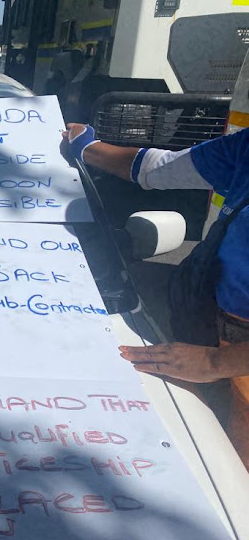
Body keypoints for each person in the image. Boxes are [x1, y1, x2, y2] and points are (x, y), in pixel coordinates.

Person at [61, 122, 249, 467]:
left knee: (232, 475)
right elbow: (156, 168)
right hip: (195, 303)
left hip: (238, 358)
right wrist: (85, 147)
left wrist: (216, 363)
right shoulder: (246, 146)